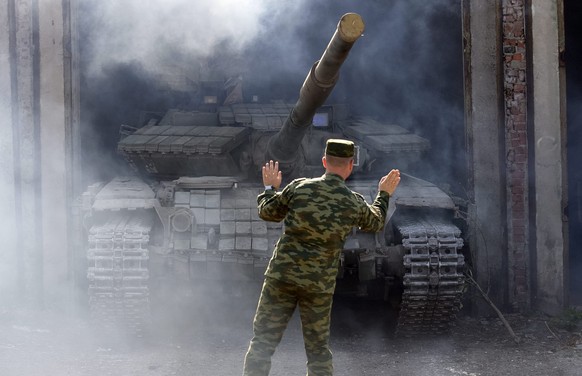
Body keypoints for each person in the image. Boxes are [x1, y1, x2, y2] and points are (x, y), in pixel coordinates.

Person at [243, 139, 401, 376]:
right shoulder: (353, 201)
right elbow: (376, 221)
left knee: (262, 343)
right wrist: (384, 194)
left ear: (324, 161)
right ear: (350, 166)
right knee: (318, 352)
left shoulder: (299, 187)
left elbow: (268, 212)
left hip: (281, 277)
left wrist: (270, 188)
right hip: (318, 284)